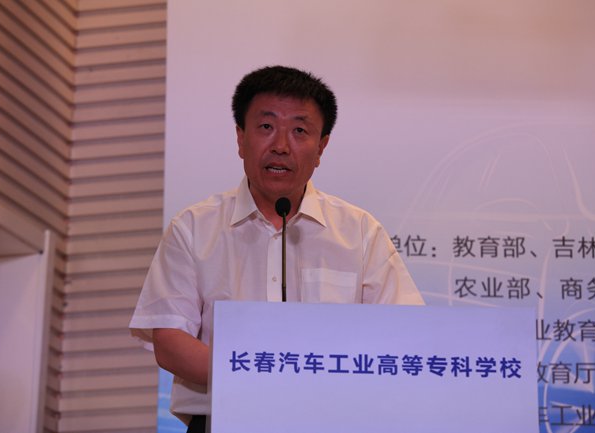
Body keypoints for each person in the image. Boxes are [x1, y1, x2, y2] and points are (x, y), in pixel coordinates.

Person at [129, 65, 424, 432]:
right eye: (266, 126)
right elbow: (171, 341)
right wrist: (262, 378)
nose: (281, 145)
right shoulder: (193, 228)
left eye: (299, 130)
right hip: (220, 422)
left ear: (322, 147)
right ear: (240, 138)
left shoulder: (360, 232)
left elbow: (405, 336)